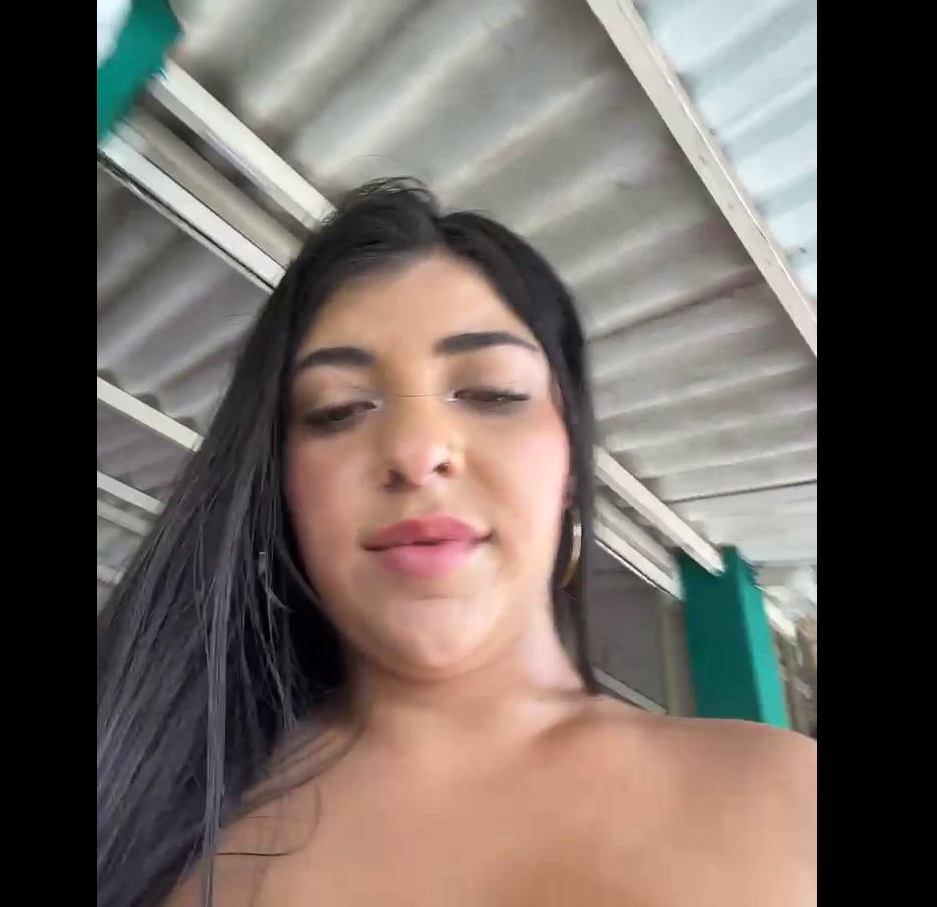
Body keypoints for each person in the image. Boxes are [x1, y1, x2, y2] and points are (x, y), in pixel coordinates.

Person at [97, 181, 816, 907]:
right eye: (338, 410)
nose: (416, 452)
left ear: (572, 460)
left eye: (491, 392)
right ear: (279, 485)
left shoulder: (788, 806)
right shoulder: (149, 809)